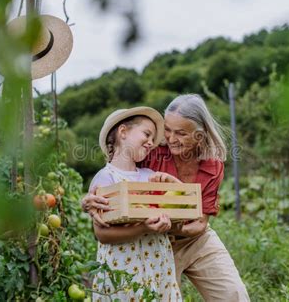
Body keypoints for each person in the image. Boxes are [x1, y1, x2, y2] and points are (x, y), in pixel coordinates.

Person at [83, 94, 251, 302]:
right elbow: (117, 171)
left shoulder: (212, 165)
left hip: (194, 239)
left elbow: (199, 223)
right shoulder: (152, 151)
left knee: (234, 295)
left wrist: (170, 224)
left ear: (199, 135)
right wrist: (89, 200)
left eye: (180, 133)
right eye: (168, 130)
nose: (170, 139)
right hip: (154, 244)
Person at [89, 106, 182, 302]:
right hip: (124, 268)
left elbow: (184, 205)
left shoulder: (151, 176)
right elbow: (102, 234)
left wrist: (167, 221)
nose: (150, 143)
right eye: (147, 134)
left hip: (157, 264)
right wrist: (143, 228)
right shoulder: (106, 178)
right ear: (123, 132)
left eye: (152, 139)